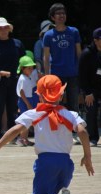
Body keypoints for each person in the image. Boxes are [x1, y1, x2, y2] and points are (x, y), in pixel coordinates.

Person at [43, 3, 82, 144]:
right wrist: (47, 76)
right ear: (53, 17)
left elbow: (79, 53)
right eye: (58, 13)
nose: (61, 15)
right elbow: (46, 57)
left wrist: (81, 70)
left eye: (63, 13)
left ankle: (73, 132)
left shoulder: (74, 32)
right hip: (55, 75)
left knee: (73, 104)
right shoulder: (48, 35)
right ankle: (55, 132)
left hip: (72, 73)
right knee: (54, 104)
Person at [0, 17, 25, 139]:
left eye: (5, 27)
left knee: (13, 108)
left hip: (15, 81)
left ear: (9, 29)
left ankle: (13, 135)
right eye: (0, 28)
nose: (3, 30)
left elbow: (24, 62)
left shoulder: (17, 43)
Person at [16, 55, 39, 146]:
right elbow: (21, 93)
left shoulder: (28, 77)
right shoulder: (22, 78)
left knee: (28, 121)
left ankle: (25, 138)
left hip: (28, 100)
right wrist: (28, 103)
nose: (31, 70)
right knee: (25, 121)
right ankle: (21, 139)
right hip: (24, 101)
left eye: (31, 68)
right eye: (28, 68)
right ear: (22, 68)